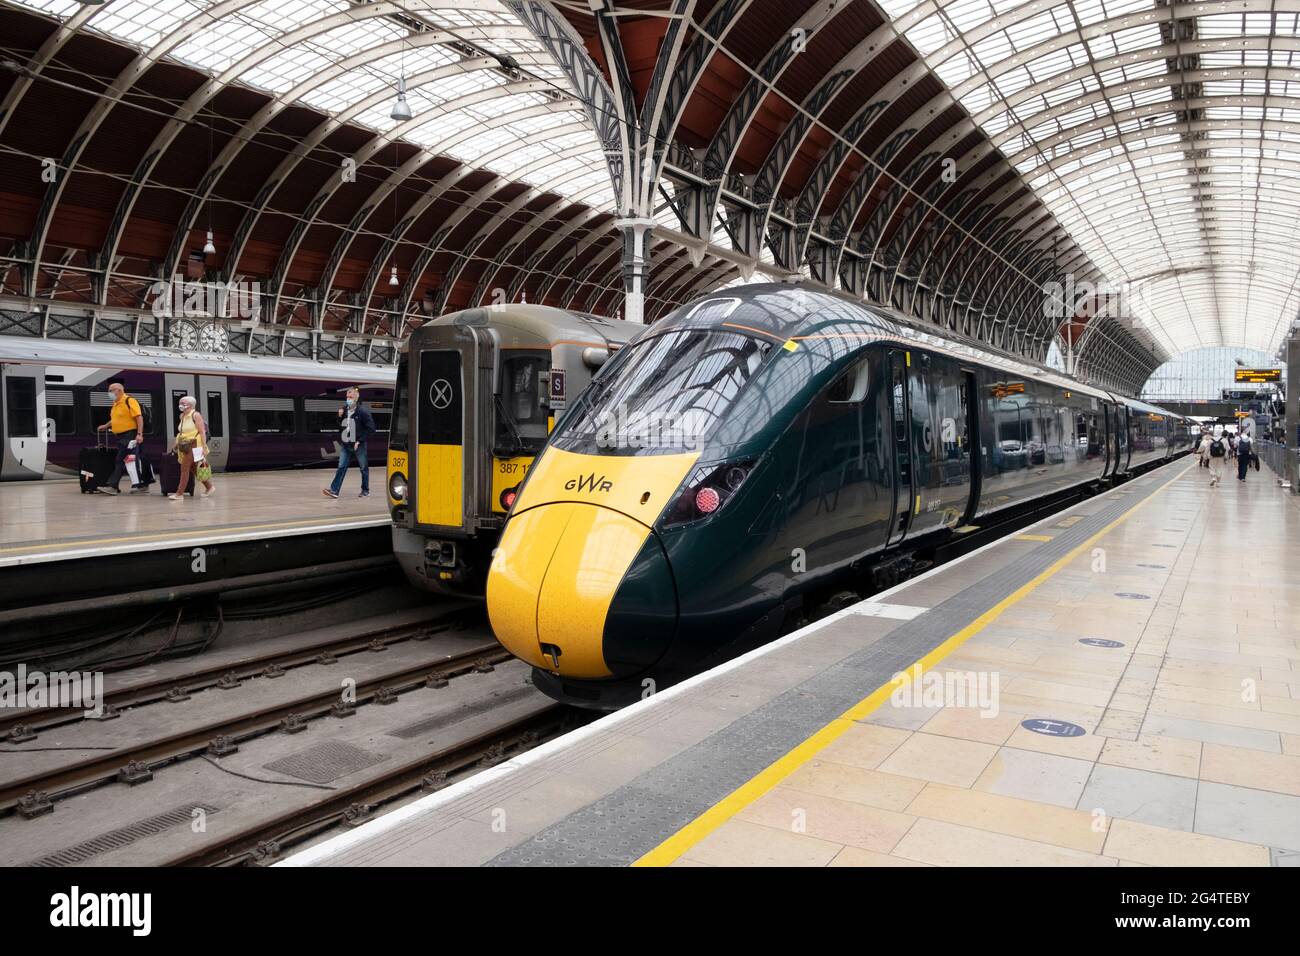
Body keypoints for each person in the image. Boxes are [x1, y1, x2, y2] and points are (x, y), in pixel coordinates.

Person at [94, 381, 147, 495]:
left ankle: (113, 486)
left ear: (119, 390)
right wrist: (106, 426)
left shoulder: (129, 401)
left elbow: (139, 418)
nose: (109, 393)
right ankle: (142, 484)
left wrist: (139, 434)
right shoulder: (115, 403)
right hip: (120, 437)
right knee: (132, 460)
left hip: (130, 435)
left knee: (120, 460)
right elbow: (116, 419)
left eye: (110, 390)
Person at [323, 387, 375, 499]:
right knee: (341, 467)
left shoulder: (362, 412)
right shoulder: (344, 410)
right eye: (347, 397)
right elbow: (340, 425)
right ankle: (334, 490)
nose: (348, 399)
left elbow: (371, 428)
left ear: (356, 397)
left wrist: (360, 440)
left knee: (363, 468)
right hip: (346, 444)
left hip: (358, 445)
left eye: (350, 397)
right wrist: (339, 416)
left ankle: (365, 490)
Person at [170, 395, 215, 500]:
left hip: (195, 445)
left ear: (190, 405)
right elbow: (181, 432)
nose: (180, 405)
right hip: (185, 444)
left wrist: (204, 447)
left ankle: (179, 494)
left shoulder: (195, 415)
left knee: (184, 468)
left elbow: (202, 432)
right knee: (193, 468)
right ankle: (209, 486)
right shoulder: (182, 416)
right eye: (180, 403)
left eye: (183, 403)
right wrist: (176, 444)